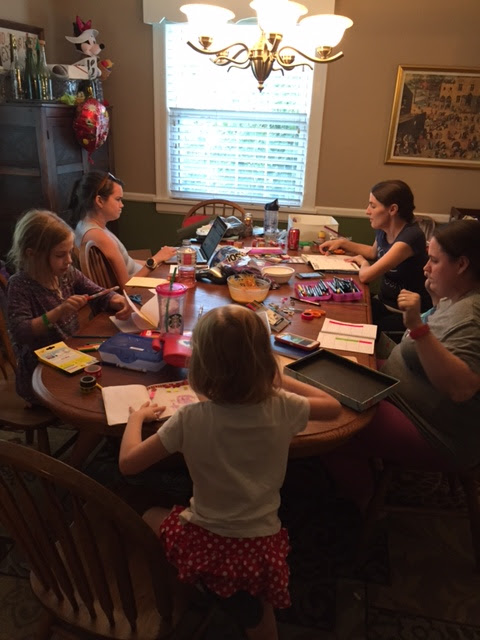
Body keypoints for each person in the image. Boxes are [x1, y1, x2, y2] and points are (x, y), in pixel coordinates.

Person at [118, 305, 341, 640]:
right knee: (260, 612)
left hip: (204, 539)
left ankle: (201, 580)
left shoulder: (189, 419)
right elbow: (333, 407)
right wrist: (279, 378)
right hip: (260, 547)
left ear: (199, 366)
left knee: (149, 514)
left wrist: (136, 418)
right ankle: (241, 597)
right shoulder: (283, 406)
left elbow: (128, 463)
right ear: (264, 363)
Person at [323, 219, 480, 510]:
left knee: (336, 423)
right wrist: (434, 300)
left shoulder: (471, 318)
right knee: (331, 368)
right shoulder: (457, 296)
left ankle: (360, 501)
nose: (425, 267)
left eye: (434, 261)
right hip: (399, 393)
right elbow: (426, 346)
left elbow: (461, 388)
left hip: (435, 432)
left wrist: (418, 327)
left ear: (461, 265)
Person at [7, 209, 132, 405]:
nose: (69, 260)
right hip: (41, 372)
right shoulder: (20, 285)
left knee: (117, 377)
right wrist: (58, 312)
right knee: (98, 399)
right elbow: (20, 332)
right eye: (60, 255)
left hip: (72, 356)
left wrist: (116, 299)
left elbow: (99, 293)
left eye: (69, 252)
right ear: (32, 254)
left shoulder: (66, 273)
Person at [319, 180, 431, 332]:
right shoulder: (384, 228)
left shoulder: (410, 237)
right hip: (384, 303)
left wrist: (363, 263)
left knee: (354, 328)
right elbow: (373, 252)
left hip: (404, 314)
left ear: (392, 209)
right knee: (337, 308)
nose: (367, 211)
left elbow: (366, 276)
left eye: (373, 206)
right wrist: (343, 243)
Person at [69, 171, 176, 288]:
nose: (122, 205)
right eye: (118, 199)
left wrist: (157, 261)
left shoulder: (86, 224)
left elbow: (127, 263)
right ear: (99, 201)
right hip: (138, 289)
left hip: (141, 278)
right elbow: (127, 286)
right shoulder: (97, 236)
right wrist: (155, 260)